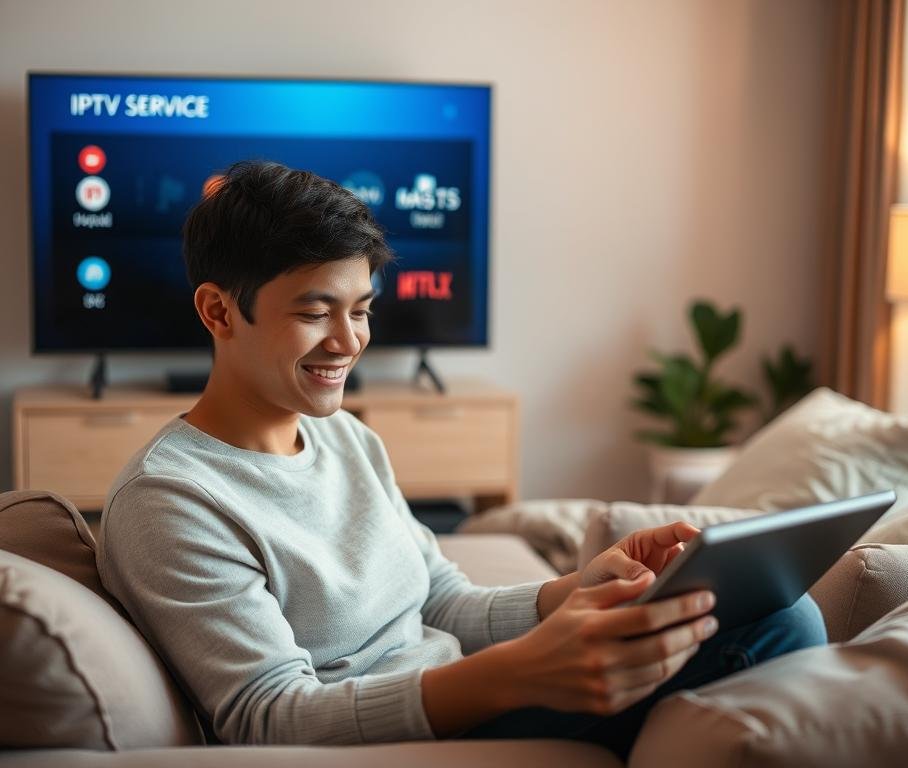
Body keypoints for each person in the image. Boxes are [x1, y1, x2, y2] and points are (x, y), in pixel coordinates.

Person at [96, 160, 826, 761]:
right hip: (416, 733)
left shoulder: (348, 438)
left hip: (473, 693)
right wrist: (516, 674)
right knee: (777, 629)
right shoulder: (170, 500)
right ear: (219, 312)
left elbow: (439, 600)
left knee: (768, 603)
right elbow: (272, 717)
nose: (349, 342)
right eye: (316, 312)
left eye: (362, 308)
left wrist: (577, 588)